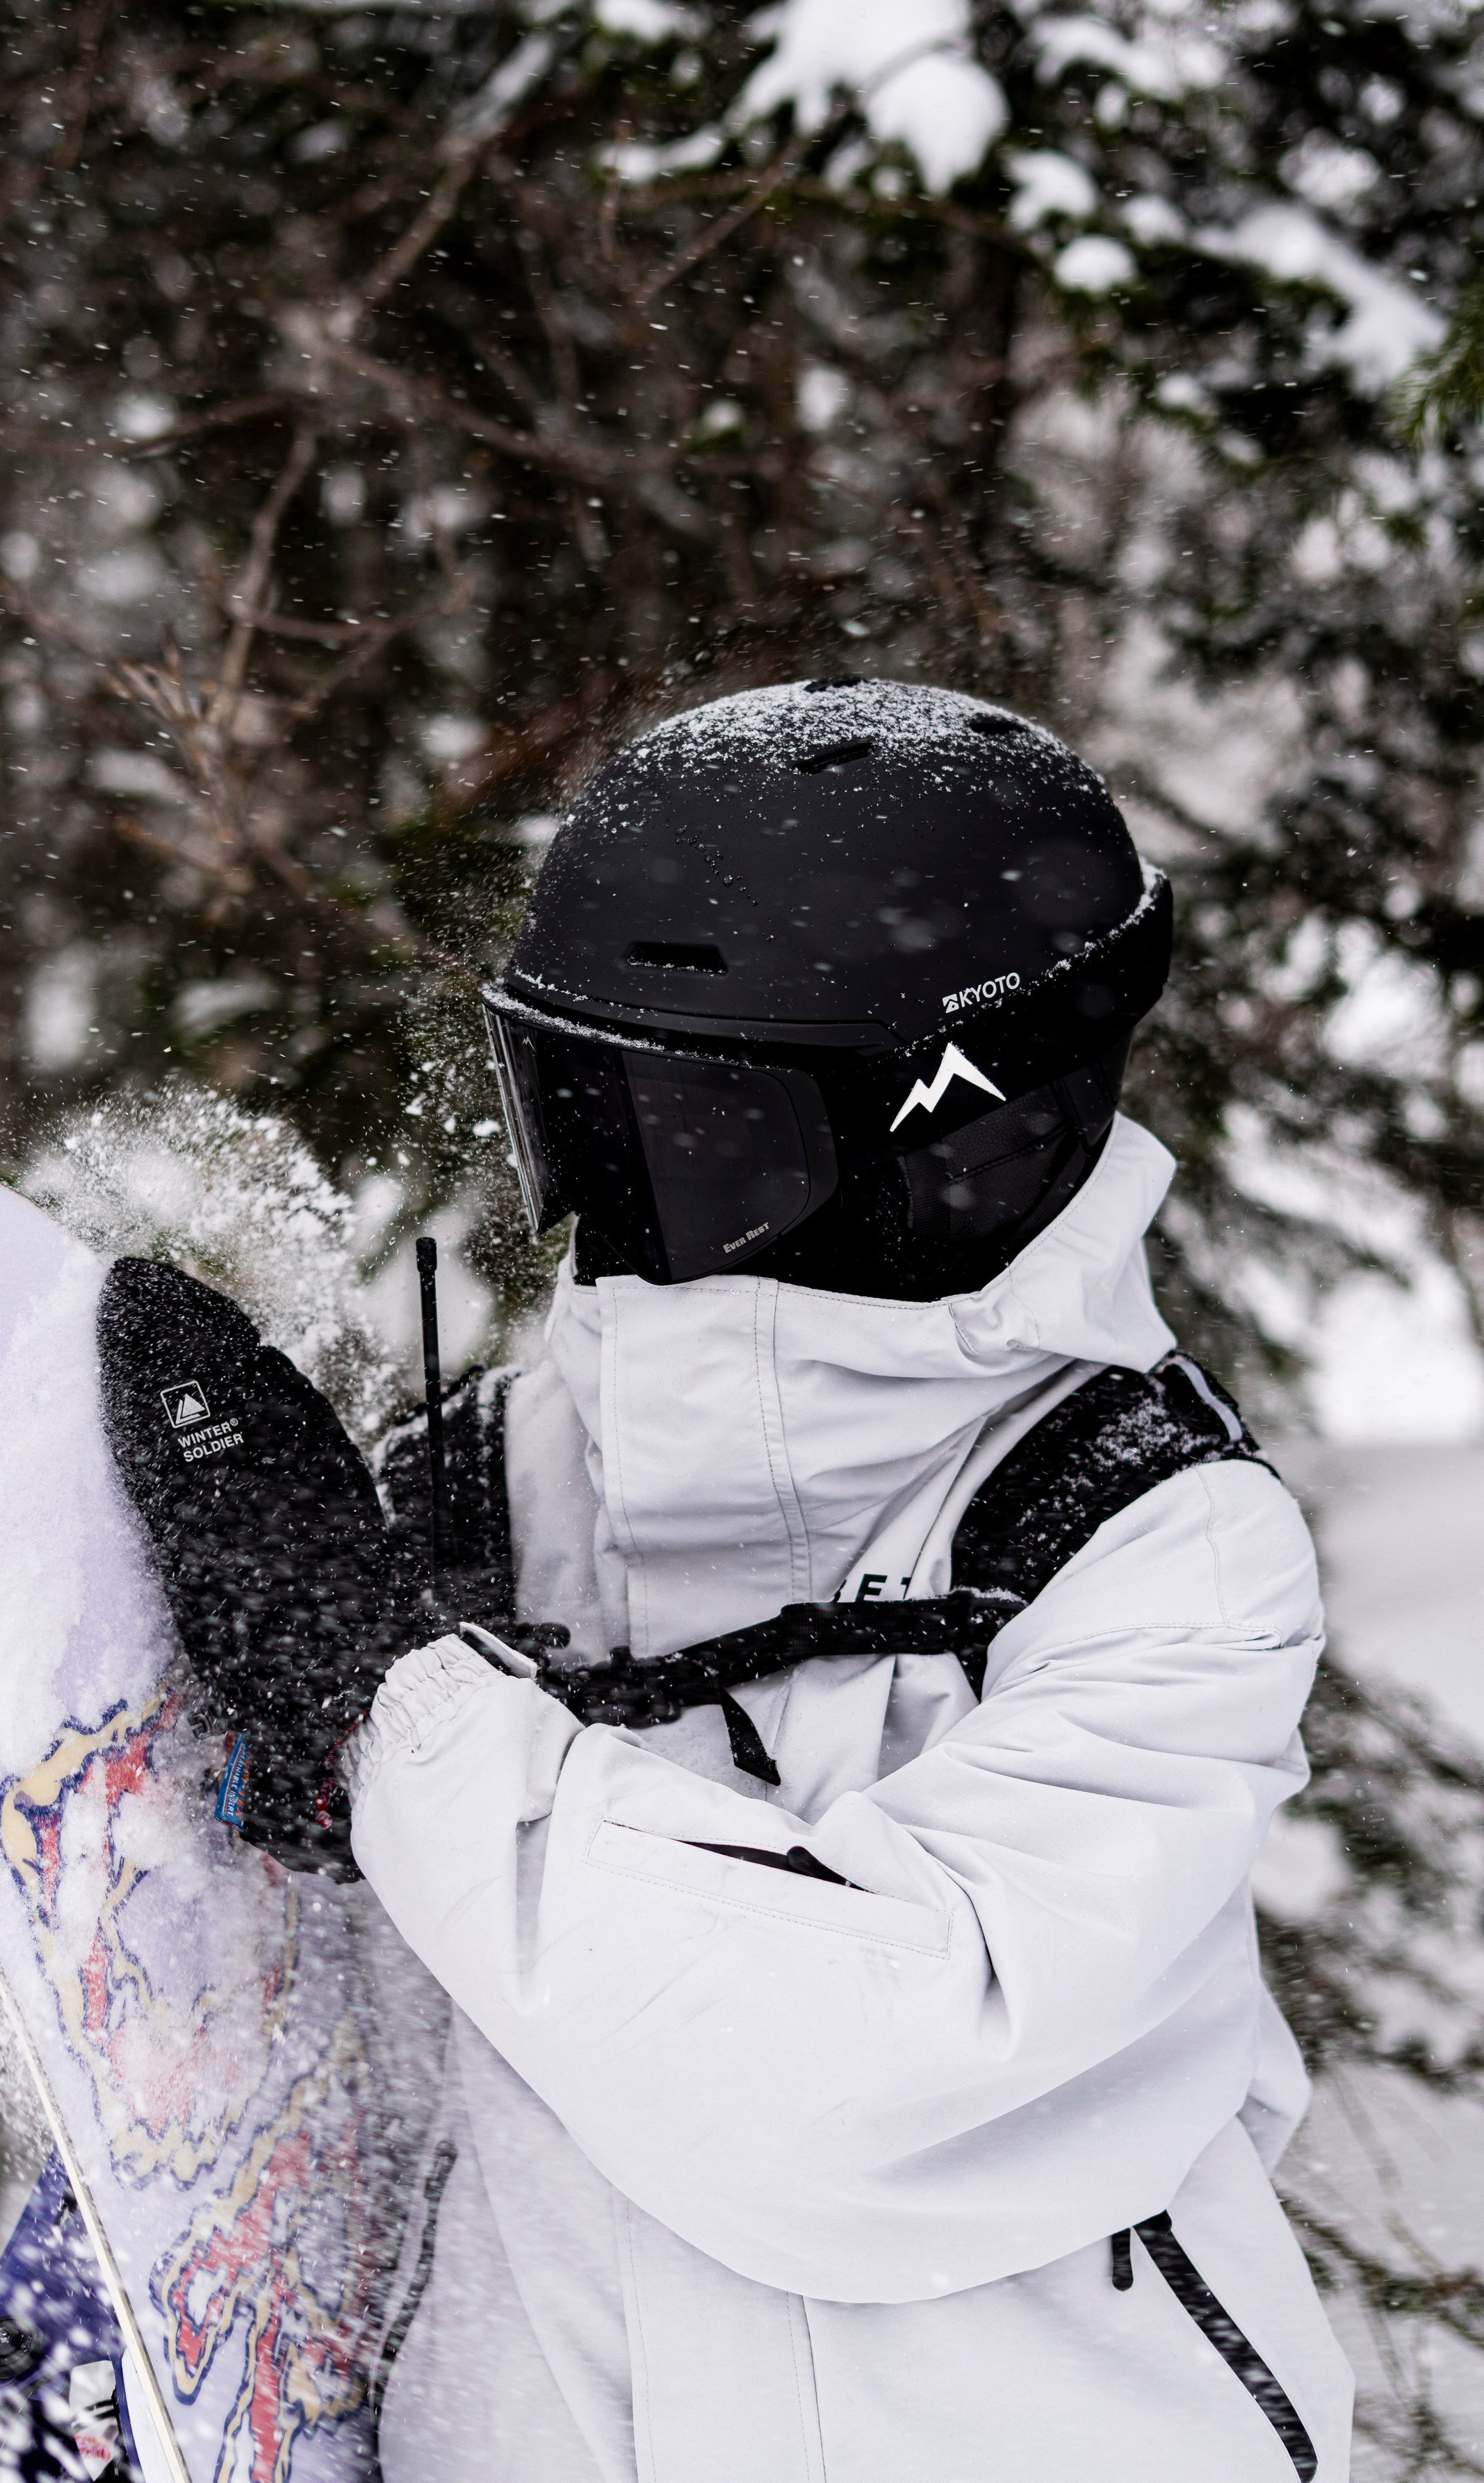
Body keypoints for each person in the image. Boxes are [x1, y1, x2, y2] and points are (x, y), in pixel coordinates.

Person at [99, 679, 1354, 2483]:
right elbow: (315, 2067)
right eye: (579, 1106)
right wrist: (78, 2329)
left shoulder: (1151, 1547)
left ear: (949, 1131)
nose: (618, 1189)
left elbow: (854, 2093)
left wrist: (394, 1716)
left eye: (690, 1128)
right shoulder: (493, 1474)